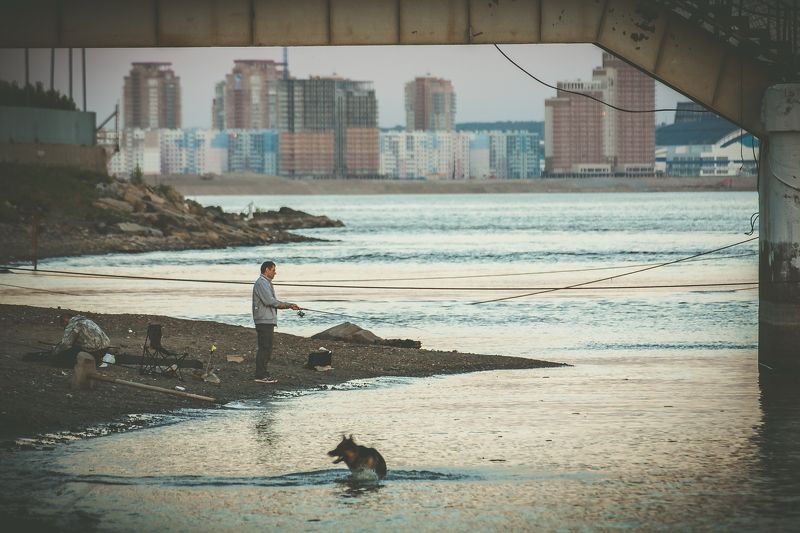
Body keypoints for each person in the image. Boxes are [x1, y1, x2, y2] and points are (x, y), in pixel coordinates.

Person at [252, 260, 300, 383]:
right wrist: (288, 305)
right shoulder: (262, 283)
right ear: (266, 270)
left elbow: (272, 301)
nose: (275, 273)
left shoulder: (265, 283)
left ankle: (262, 374)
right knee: (265, 348)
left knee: (266, 347)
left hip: (266, 320)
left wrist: (289, 305)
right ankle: (260, 376)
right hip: (264, 320)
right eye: (273, 270)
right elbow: (270, 301)